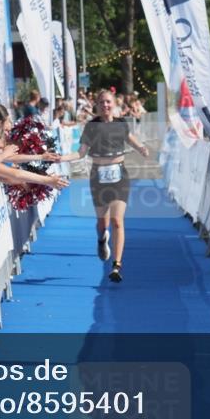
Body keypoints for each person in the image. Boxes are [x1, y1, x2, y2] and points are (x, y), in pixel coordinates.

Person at [59, 89, 150, 283]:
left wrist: (141, 147)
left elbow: (130, 138)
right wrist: (61, 158)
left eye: (108, 102)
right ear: (97, 106)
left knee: (117, 221)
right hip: (98, 178)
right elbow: (81, 153)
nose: (105, 105)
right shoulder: (91, 127)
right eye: (101, 102)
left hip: (119, 177)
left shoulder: (121, 123)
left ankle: (116, 265)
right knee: (103, 223)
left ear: (114, 104)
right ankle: (102, 239)